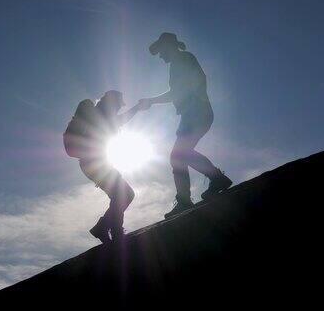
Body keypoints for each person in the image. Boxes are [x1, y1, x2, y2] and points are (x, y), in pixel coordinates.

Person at [138, 32, 233, 219]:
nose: (160, 56)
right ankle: (213, 181)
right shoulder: (179, 62)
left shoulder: (182, 60)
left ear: (168, 46)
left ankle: (192, 195)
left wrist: (152, 101)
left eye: (161, 51)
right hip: (193, 113)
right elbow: (179, 91)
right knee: (179, 155)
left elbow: (181, 90)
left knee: (178, 155)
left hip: (196, 113)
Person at [79, 90, 140, 243]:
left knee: (124, 194)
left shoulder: (102, 114)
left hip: (96, 163)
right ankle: (114, 229)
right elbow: (117, 121)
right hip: (93, 163)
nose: (120, 107)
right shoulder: (99, 114)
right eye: (119, 104)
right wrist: (137, 109)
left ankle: (103, 227)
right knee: (123, 193)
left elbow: (118, 121)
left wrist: (137, 109)